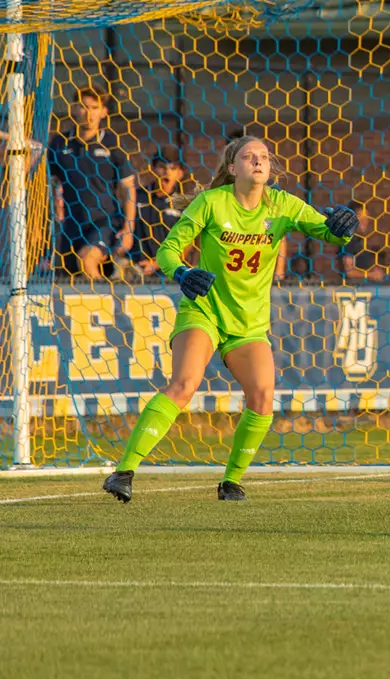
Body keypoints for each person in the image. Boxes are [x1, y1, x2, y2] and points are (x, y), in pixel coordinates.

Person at [101, 137, 358, 503]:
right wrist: (183, 274)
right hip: (204, 309)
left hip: (249, 323)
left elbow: (329, 231)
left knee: (263, 396)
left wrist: (346, 224)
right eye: (248, 156)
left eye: (264, 157)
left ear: (269, 170)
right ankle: (123, 473)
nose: (258, 161)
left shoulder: (282, 204)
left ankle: (231, 483)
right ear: (233, 168)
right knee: (186, 383)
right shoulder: (211, 202)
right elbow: (169, 250)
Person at [48, 88, 136, 280]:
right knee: (68, 277)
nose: (88, 113)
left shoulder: (112, 144)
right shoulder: (59, 143)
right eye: (83, 107)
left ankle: (106, 305)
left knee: (87, 261)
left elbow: (128, 189)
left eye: (94, 108)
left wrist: (128, 228)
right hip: (71, 225)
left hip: (104, 222)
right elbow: (51, 180)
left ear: (104, 111)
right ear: (74, 108)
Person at [133, 154, 188, 276]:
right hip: (135, 269)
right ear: (152, 169)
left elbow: (186, 244)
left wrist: (156, 264)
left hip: (167, 272)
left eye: (172, 168)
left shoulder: (184, 205)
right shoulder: (136, 196)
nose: (167, 172)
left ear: (180, 174)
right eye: (162, 167)